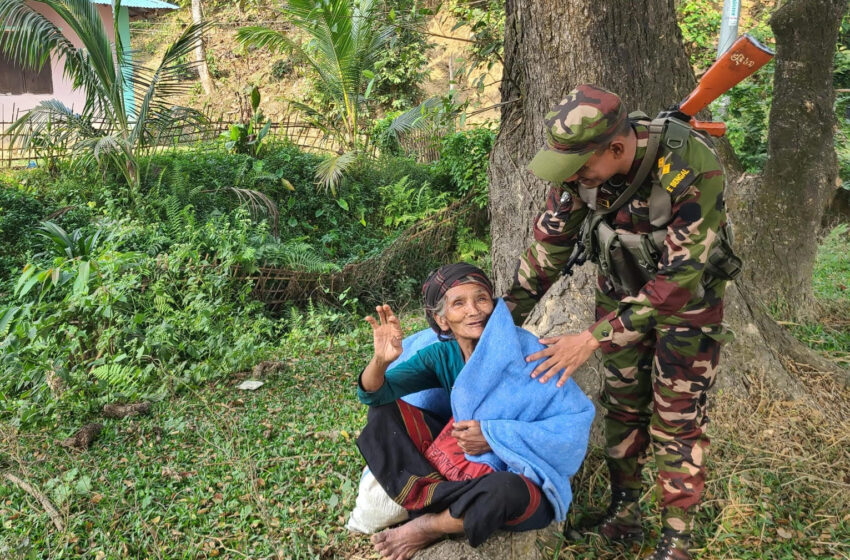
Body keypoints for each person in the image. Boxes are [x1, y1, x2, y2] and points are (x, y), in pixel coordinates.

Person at [504, 84, 738, 560]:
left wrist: (592, 338)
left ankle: (677, 541)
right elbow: (548, 250)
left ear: (617, 147)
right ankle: (625, 514)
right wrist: (501, 325)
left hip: (687, 307)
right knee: (622, 407)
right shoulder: (579, 168)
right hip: (618, 293)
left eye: (581, 168)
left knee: (677, 419)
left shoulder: (691, 167)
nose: (572, 179)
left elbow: (678, 280)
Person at [355, 262, 594, 560]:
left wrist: (494, 437)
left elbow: (573, 424)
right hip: (455, 469)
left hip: (512, 475)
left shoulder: (528, 352)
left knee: (504, 492)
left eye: (481, 298)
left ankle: (430, 524)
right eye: (459, 303)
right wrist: (381, 360)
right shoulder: (443, 355)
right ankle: (435, 496)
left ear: (494, 306)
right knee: (383, 416)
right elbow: (374, 393)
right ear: (442, 320)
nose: (474, 310)